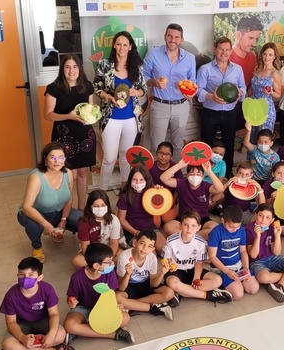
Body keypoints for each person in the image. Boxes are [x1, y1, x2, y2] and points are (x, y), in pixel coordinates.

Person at [0, 257, 77, 350]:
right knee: (8, 345)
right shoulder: (11, 295)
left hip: (43, 320)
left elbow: (54, 314)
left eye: (31, 274)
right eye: (22, 274)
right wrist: (22, 338)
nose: (25, 278)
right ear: (17, 275)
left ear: (40, 277)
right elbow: (11, 322)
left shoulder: (47, 289)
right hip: (21, 324)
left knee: (60, 335)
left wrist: (51, 334)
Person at [93, 31, 147, 191]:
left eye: (125, 44)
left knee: (125, 156)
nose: (122, 48)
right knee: (109, 159)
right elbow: (97, 88)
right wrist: (110, 98)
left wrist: (137, 92)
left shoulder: (137, 67)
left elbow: (143, 89)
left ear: (130, 47)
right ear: (114, 45)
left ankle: (124, 190)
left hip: (130, 118)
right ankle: (101, 193)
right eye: (119, 44)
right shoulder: (104, 64)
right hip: (111, 118)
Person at [43, 54, 96, 210]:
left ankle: (81, 210)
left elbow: (90, 109)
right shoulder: (54, 88)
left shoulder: (87, 86)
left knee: (82, 174)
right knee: (69, 176)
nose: (71, 71)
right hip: (64, 137)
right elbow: (48, 115)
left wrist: (91, 117)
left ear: (79, 68)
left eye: (75, 66)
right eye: (67, 67)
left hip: (85, 136)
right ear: (62, 69)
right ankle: (68, 211)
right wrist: (69, 116)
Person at [17, 142, 81, 263]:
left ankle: (81, 244)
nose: (57, 161)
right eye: (52, 157)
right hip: (36, 213)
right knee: (33, 225)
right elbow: (27, 207)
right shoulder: (36, 177)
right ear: (45, 159)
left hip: (59, 212)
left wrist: (63, 220)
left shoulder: (68, 173)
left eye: (61, 157)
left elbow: (69, 198)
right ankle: (37, 247)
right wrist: (46, 225)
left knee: (83, 221)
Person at [144, 24, 197, 161]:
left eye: (176, 37)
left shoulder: (190, 58)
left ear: (181, 40)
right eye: (170, 36)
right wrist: (155, 83)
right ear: (165, 37)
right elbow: (143, 77)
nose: (172, 40)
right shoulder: (153, 54)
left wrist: (191, 93)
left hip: (181, 106)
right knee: (157, 145)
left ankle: (176, 177)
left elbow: (193, 82)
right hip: (159, 105)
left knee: (178, 145)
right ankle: (156, 179)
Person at [63, 243, 135, 344]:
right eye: (109, 262)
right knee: (69, 324)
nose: (112, 264)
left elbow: (111, 294)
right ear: (96, 265)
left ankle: (83, 330)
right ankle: (114, 334)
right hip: (83, 308)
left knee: (125, 318)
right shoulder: (77, 277)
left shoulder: (110, 273)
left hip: (104, 308)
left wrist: (115, 306)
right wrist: (71, 302)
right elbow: (71, 297)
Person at [162, 211, 233, 305]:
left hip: (193, 270)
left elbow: (199, 263)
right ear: (180, 225)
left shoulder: (201, 242)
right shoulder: (171, 241)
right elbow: (167, 260)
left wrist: (196, 279)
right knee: (172, 283)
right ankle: (208, 295)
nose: (189, 229)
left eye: (193, 226)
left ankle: (181, 292)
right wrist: (170, 264)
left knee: (217, 280)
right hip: (176, 272)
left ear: (198, 228)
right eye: (186, 225)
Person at [197, 37, 247, 171]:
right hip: (210, 112)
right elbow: (198, 90)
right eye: (221, 49)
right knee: (206, 145)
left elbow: (243, 87)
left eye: (227, 49)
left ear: (231, 51)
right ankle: (204, 172)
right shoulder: (205, 69)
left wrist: (240, 94)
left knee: (229, 145)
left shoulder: (237, 69)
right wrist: (211, 97)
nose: (224, 52)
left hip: (230, 113)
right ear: (215, 50)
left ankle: (227, 172)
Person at [247, 204, 284, 303]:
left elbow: (276, 252)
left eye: (267, 217)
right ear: (255, 215)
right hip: (257, 262)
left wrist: (277, 236)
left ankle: (280, 285)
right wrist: (258, 236)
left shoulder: (272, 227)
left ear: (272, 220)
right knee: (263, 278)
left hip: (272, 258)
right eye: (261, 215)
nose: (263, 220)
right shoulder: (248, 230)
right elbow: (253, 255)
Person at [116, 230, 174, 320]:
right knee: (117, 297)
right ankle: (153, 307)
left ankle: (133, 304)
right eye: (142, 243)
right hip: (130, 285)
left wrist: (162, 273)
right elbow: (121, 288)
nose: (144, 248)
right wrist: (127, 274)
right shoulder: (124, 257)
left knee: (169, 293)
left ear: (153, 249)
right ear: (135, 243)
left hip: (146, 284)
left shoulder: (152, 258)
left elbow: (153, 284)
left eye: (149, 246)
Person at [160, 160, 225, 240]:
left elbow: (220, 189)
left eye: (198, 174)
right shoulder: (182, 183)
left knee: (216, 229)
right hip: (183, 218)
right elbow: (163, 178)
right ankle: (196, 238)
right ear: (187, 175)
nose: (195, 176)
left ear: (203, 177)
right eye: (192, 174)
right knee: (167, 227)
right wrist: (179, 165)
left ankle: (189, 237)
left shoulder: (205, 186)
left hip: (202, 219)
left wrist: (209, 172)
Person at [208, 205, 260, 301]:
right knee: (238, 294)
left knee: (253, 289)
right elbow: (212, 257)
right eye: (232, 227)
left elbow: (243, 251)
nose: (235, 229)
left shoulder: (241, 230)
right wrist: (227, 272)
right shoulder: (215, 233)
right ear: (223, 220)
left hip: (237, 265)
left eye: (238, 226)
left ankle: (234, 283)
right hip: (221, 268)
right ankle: (220, 287)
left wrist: (246, 268)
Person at [117, 165, 166, 253]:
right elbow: (121, 219)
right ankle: (128, 244)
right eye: (135, 179)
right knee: (150, 253)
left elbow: (162, 206)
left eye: (141, 180)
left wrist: (160, 193)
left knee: (164, 249)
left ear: (146, 180)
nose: (138, 183)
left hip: (150, 227)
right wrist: (135, 232)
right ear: (130, 180)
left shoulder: (151, 191)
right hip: (132, 230)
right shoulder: (125, 195)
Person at [72, 190, 121, 269]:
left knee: (122, 257)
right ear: (90, 207)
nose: (100, 208)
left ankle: (100, 270)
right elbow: (85, 247)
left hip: (108, 251)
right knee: (77, 261)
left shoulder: (114, 220)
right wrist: (97, 262)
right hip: (92, 253)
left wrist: (108, 260)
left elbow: (114, 244)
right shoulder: (84, 222)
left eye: (103, 205)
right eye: (96, 206)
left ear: (107, 206)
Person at [231, 16, 264, 133]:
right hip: (228, 108)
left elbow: (250, 83)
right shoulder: (226, 57)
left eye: (256, 39)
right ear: (239, 35)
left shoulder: (252, 57)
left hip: (246, 107)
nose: (254, 43)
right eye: (250, 38)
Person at [247, 43, 282, 145]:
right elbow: (251, 89)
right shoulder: (257, 69)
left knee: (263, 140)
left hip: (266, 110)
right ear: (262, 55)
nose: (267, 57)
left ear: (275, 56)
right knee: (252, 138)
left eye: (270, 55)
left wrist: (271, 92)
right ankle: (251, 161)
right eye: (265, 54)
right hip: (253, 108)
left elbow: (278, 94)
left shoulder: (275, 73)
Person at [221, 160, 266, 226]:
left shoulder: (251, 187)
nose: (243, 177)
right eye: (241, 173)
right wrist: (227, 184)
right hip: (229, 213)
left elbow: (262, 206)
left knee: (259, 221)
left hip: (244, 213)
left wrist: (259, 188)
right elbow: (216, 197)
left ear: (251, 176)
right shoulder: (230, 184)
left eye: (247, 174)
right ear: (236, 173)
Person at [149, 141, 183, 225]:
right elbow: (146, 185)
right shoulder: (150, 166)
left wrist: (172, 202)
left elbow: (179, 187)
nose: (163, 156)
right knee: (156, 224)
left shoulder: (176, 168)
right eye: (161, 153)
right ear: (156, 153)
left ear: (171, 156)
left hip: (170, 200)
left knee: (167, 221)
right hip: (153, 200)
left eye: (167, 154)